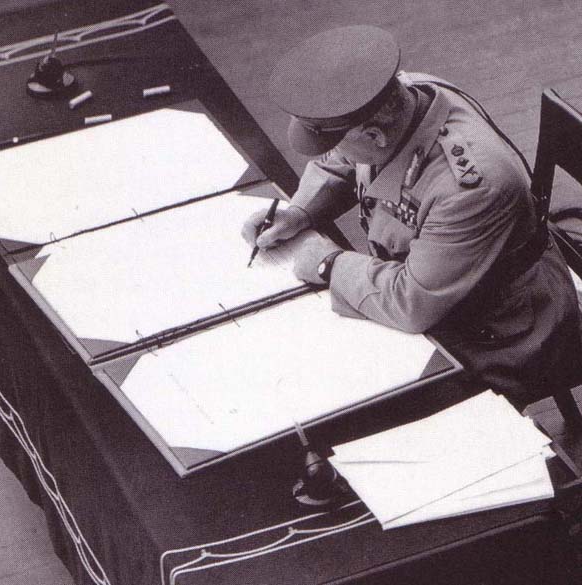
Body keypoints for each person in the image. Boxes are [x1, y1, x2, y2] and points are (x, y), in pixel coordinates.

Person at [242, 25, 582, 409]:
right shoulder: (400, 99)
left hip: (508, 330)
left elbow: (410, 303)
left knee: (365, 403)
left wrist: (328, 265)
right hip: (444, 288)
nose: (335, 152)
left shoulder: (469, 188)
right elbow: (339, 161)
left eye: (339, 141)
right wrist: (299, 213)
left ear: (374, 137)